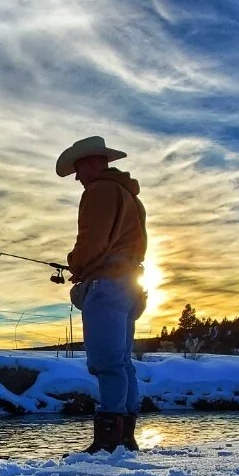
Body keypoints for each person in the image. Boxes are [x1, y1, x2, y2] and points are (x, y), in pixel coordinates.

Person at [55, 135, 147, 453]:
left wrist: (76, 266)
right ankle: (125, 438)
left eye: (79, 168)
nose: (78, 177)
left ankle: (109, 442)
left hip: (107, 287)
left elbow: (91, 243)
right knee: (122, 362)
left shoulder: (100, 191)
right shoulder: (130, 196)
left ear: (95, 162)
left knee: (107, 363)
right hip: (129, 286)